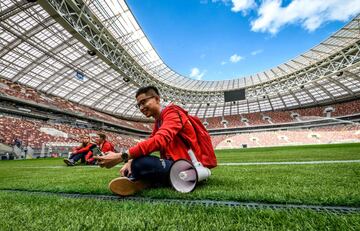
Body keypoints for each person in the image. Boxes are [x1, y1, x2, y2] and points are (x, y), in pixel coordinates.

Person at [96, 86, 217, 196]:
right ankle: (142, 182)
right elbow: (150, 143)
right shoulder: (158, 122)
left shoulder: (172, 112)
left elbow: (160, 140)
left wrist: (122, 156)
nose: (141, 108)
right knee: (135, 163)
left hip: (187, 167)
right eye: (139, 105)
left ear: (157, 99)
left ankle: (142, 180)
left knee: (140, 164)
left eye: (144, 102)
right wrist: (129, 161)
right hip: (175, 165)